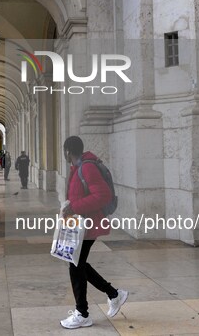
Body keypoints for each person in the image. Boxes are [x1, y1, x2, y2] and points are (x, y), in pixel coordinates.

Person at [59, 136, 128, 329]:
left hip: (88, 225)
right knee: (76, 263)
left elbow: (102, 195)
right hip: (80, 224)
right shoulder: (79, 167)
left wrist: (74, 207)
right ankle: (114, 294)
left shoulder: (87, 167)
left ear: (67, 152)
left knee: (75, 264)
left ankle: (83, 313)